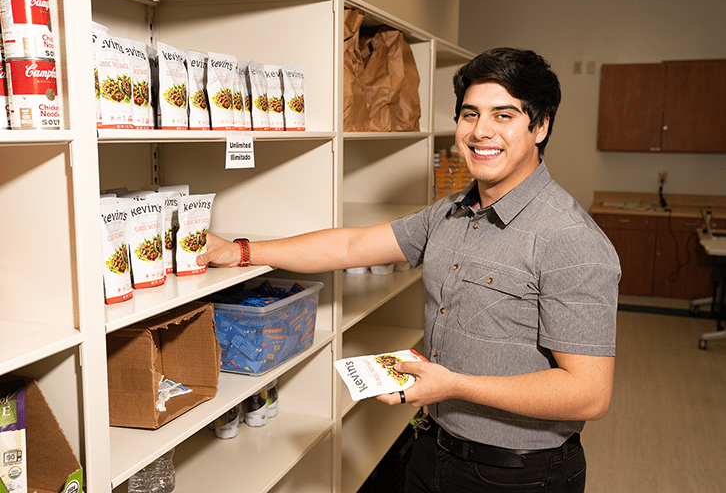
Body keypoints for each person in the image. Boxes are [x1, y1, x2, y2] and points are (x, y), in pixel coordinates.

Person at [197, 47, 621, 492]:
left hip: (518, 474)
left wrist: (454, 385)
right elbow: (352, 244)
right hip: (432, 448)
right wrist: (241, 252)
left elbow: (589, 393)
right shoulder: (452, 212)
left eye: (504, 116)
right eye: (469, 114)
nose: (480, 132)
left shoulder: (570, 239)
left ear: (541, 126)